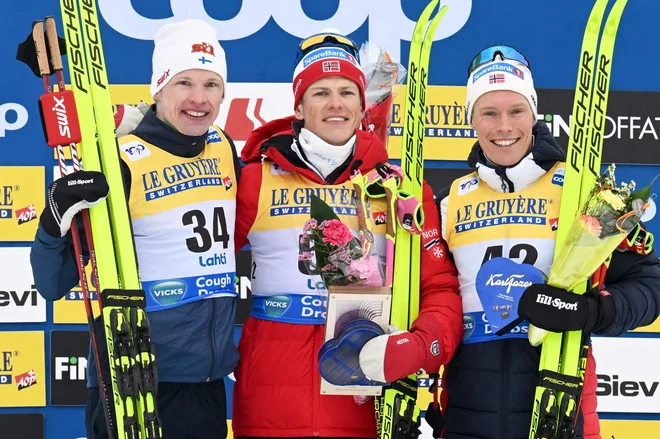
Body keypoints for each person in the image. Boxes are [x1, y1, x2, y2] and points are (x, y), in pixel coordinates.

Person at [231, 32, 462, 438]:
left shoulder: (399, 188)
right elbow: (194, 256)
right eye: (320, 92)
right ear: (299, 107)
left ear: (362, 107)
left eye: (346, 92)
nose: (335, 104)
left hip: (369, 401)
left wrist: (419, 348)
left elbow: (440, 288)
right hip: (270, 404)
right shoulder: (255, 180)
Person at [434, 45, 660, 439]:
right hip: (467, 417)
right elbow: (434, 297)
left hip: (560, 408)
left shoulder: (581, 192)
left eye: (516, 111)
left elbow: (650, 285)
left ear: (534, 113)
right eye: (489, 112)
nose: (503, 126)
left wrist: (592, 312)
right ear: (471, 120)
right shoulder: (451, 201)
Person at [30, 19, 241, 439]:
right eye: (183, 83)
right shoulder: (121, 161)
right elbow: (52, 283)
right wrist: (55, 217)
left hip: (207, 385)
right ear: (158, 87)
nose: (199, 99)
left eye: (211, 84)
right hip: (133, 384)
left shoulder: (222, 145)